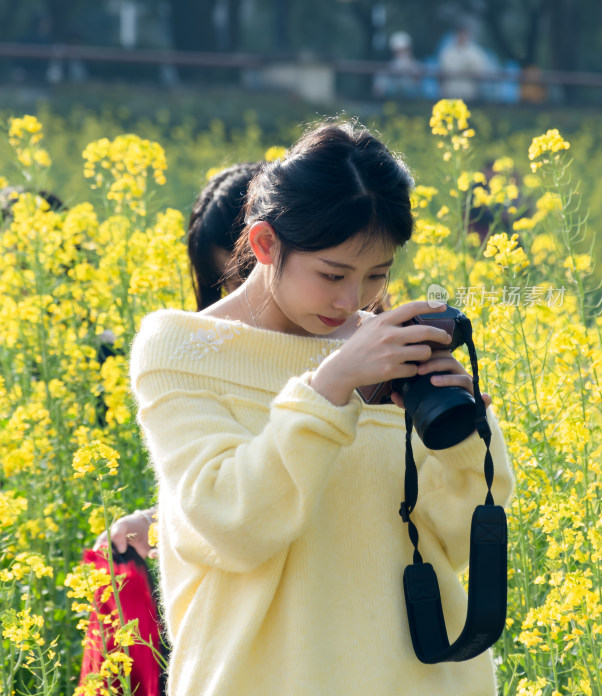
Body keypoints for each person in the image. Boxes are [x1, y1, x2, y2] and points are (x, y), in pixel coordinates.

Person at [130, 122, 513, 696]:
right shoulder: (179, 349)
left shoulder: (389, 348)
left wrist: (463, 437)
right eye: (332, 274)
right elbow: (230, 524)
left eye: (377, 274)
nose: (352, 301)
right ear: (265, 244)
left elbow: (456, 545)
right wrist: (330, 386)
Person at [94, 161, 261, 558]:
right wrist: (158, 521)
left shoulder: (371, 353)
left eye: (254, 274)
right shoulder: (206, 350)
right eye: (231, 285)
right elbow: (232, 495)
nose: (247, 301)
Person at [439, 22, 492, 101]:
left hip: (469, 96)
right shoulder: (447, 52)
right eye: (459, 33)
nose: (461, 36)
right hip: (450, 96)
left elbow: (481, 73)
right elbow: (441, 74)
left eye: (463, 33)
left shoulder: (476, 52)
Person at [373, 31, 421, 99]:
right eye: (398, 51)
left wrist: (411, 71)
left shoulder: (417, 67)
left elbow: (422, 89)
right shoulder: (386, 70)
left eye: (405, 50)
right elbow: (377, 92)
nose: (402, 53)